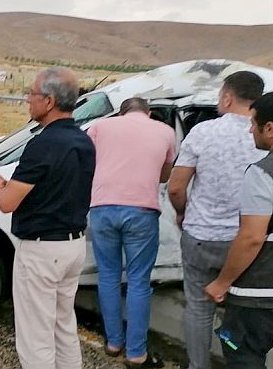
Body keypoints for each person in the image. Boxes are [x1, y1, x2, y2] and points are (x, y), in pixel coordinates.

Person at [0, 67, 96, 368]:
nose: (28, 100)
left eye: (32, 95)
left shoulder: (43, 144)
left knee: (35, 335)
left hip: (41, 250)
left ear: (48, 101)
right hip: (73, 246)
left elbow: (8, 204)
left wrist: (1, 190)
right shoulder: (84, 140)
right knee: (63, 326)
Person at [168, 71, 265, 369]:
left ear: (227, 97)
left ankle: (198, 365)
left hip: (201, 236)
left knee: (198, 309)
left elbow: (175, 187)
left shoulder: (202, 132)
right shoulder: (263, 137)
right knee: (239, 312)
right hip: (246, 242)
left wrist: (182, 212)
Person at [87, 97, 175, 368]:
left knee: (109, 275)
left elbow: (88, 164)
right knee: (138, 281)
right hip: (142, 211)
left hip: (102, 209)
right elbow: (164, 175)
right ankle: (136, 352)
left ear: (121, 113)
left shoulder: (99, 127)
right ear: (148, 113)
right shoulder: (165, 131)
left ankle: (114, 342)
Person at [205, 92, 273, 369]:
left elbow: (251, 237)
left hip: (260, 296)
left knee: (240, 351)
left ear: (270, 129)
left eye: (254, 123)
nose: (250, 129)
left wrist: (222, 283)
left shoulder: (263, 173)